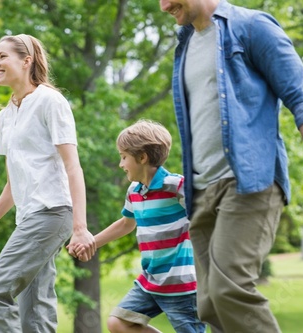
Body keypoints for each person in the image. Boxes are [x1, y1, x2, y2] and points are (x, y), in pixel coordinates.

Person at [158, 0, 303, 332]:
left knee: (229, 289)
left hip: (250, 181)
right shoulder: (185, 45)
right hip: (202, 190)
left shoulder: (253, 27)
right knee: (210, 302)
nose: (164, 5)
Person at [0, 33, 96, 333]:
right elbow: (13, 186)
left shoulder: (50, 101)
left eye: (2, 56)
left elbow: (72, 166)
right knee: (34, 313)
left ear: (26, 60)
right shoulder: (5, 116)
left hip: (52, 212)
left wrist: (80, 226)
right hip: (28, 219)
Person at [73, 119, 206, 333]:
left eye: (124, 157)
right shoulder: (135, 191)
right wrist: (93, 242)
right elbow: (126, 224)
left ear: (142, 157)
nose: (121, 164)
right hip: (150, 280)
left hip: (180, 283)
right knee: (118, 322)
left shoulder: (176, 186)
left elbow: (205, 213)